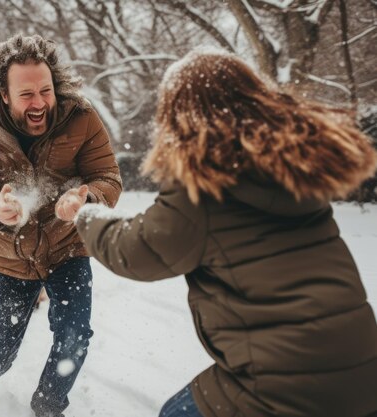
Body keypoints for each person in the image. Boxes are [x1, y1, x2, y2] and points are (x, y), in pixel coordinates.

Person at [74, 49, 377, 417]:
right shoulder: (294, 169)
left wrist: (84, 215)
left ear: (178, 115)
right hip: (362, 367)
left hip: (283, 385)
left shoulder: (203, 191)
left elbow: (136, 251)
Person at [0, 34, 122, 417]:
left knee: (74, 338)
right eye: (26, 94)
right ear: (3, 95)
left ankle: (48, 405)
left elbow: (108, 176)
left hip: (68, 248)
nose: (39, 102)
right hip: (10, 257)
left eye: (46, 90)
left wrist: (85, 198)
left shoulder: (82, 118)